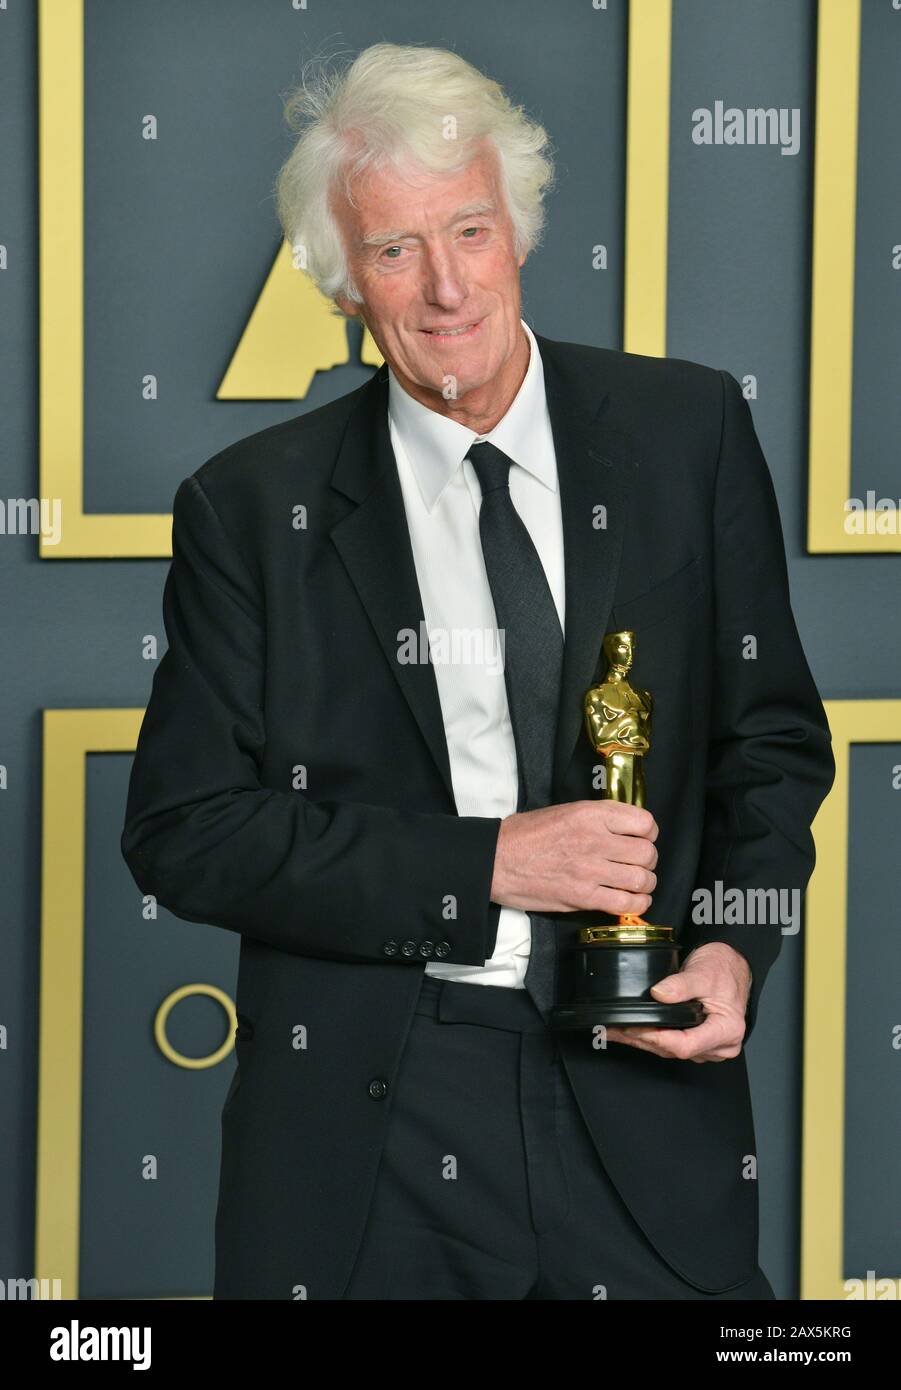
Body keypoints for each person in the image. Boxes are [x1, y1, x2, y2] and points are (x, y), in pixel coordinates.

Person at [121, 42, 835, 1300]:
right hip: (372, 1129)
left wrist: (732, 950)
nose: (445, 286)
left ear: (520, 230)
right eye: (394, 250)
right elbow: (186, 831)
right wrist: (493, 863)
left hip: (643, 1090)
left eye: (470, 230)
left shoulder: (688, 432)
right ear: (345, 284)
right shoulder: (249, 509)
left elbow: (768, 741)